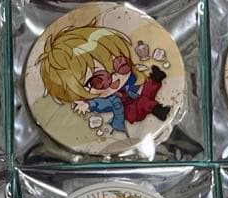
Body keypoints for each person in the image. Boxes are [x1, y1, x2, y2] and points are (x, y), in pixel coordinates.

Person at [38, 24, 170, 135]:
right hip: (129, 110)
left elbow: (135, 82)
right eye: (99, 81)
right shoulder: (105, 100)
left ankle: (155, 80)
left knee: (147, 89)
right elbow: (99, 104)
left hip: (134, 95)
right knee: (142, 102)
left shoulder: (128, 80)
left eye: (120, 64)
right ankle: (155, 108)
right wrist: (87, 105)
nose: (115, 78)